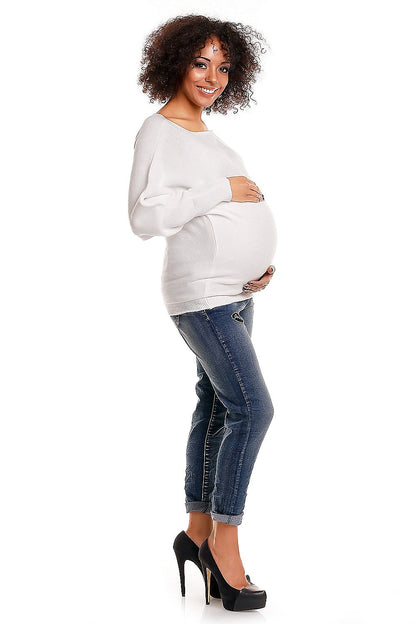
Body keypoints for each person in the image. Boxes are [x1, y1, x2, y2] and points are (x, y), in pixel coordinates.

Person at [128, 14, 277, 611]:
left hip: (234, 290)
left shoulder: (211, 137)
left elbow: (223, 218)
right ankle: (226, 544)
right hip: (200, 294)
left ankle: (194, 532)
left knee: (216, 405)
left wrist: (255, 264)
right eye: (200, 62)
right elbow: (143, 219)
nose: (212, 76)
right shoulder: (157, 130)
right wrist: (225, 193)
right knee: (253, 408)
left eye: (223, 66)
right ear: (175, 62)